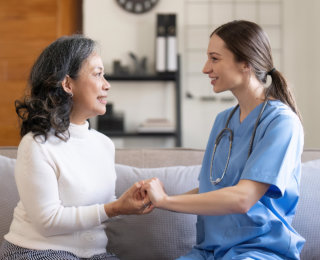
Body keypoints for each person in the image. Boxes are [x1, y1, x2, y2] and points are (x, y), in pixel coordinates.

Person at [142, 20, 305, 260]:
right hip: (210, 251)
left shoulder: (282, 123)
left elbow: (242, 198)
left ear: (245, 63)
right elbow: (213, 189)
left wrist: (166, 201)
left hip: (259, 252)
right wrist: (153, 200)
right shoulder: (223, 122)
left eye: (214, 58)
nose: (205, 68)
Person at [0, 35, 153, 260]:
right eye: (98, 74)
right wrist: (115, 208)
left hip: (93, 255)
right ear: (68, 84)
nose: (107, 84)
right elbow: (47, 222)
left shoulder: (103, 144)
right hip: (36, 251)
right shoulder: (37, 144)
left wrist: (131, 202)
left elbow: (103, 208)